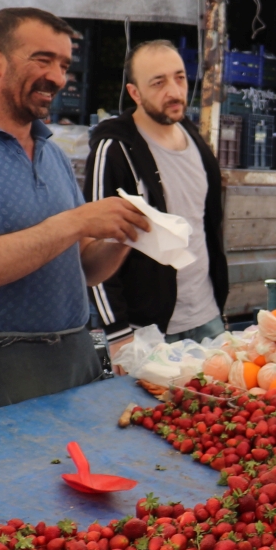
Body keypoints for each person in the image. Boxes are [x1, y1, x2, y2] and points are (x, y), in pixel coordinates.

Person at [0, 7, 150, 418]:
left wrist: (125, 233)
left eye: (64, 64)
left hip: (75, 359)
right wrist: (76, 220)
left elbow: (85, 267)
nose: (57, 77)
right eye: (42, 59)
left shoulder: (51, 154)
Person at [85, 40, 228, 347]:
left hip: (207, 317)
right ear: (135, 93)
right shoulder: (115, 149)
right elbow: (93, 243)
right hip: (146, 332)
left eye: (179, 78)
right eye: (158, 82)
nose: (175, 92)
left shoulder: (195, 139)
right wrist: (117, 330)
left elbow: (208, 227)